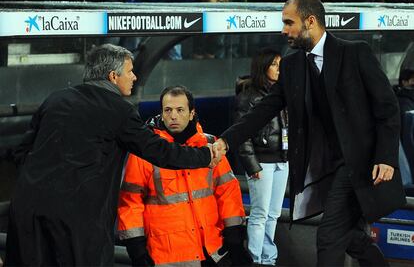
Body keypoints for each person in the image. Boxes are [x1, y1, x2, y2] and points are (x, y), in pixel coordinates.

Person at [214, 0, 406, 266]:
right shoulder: (292, 64)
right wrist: (226, 141)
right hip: (322, 168)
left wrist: (386, 158)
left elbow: (388, 109)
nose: (283, 30)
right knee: (350, 236)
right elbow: (264, 109)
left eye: (289, 22)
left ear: (311, 21)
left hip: (359, 165)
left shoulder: (355, 53)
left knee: (328, 237)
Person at [5, 44, 220, 266]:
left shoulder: (55, 99)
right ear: (113, 76)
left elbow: (20, 151)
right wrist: (205, 155)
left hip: (27, 211)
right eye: (130, 71)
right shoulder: (120, 110)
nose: (135, 77)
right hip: (77, 222)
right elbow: (161, 152)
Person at [117, 85, 251, 267]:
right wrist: (136, 249)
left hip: (212, 251)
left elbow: (228, 192)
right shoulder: (144, 152)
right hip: (167, 256)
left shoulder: (211, 145)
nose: (173, 116)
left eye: (180, 110)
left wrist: (234, 234)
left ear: (191, 113)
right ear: (162, 113)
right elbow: (131, 203)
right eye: (168, 110)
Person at [234, 48, 288, 266]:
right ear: (263, 67)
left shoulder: (282, 92)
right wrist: (252, 165)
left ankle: (268, 260)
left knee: (273, 214)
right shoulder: (248, 96)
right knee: (259, 214)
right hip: (261, 163)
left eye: (280, 64)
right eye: (274, 64)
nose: (279, 69)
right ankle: (254, 259)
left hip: (281, 161)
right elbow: (242, 135)